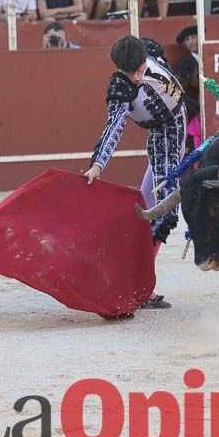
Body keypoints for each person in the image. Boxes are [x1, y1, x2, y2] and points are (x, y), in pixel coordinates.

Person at [83, 35, 187, 311]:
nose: (138, 77)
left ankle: (133, 279)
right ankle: (140, 285)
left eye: (140, 69)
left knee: (148, 205)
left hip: (174, 126)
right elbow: (114, 128)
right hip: (164, 132)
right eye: (131, 73)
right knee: (161, 210)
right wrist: (98, 164)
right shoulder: (121, 91)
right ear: (120, 70)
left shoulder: (147, 51)